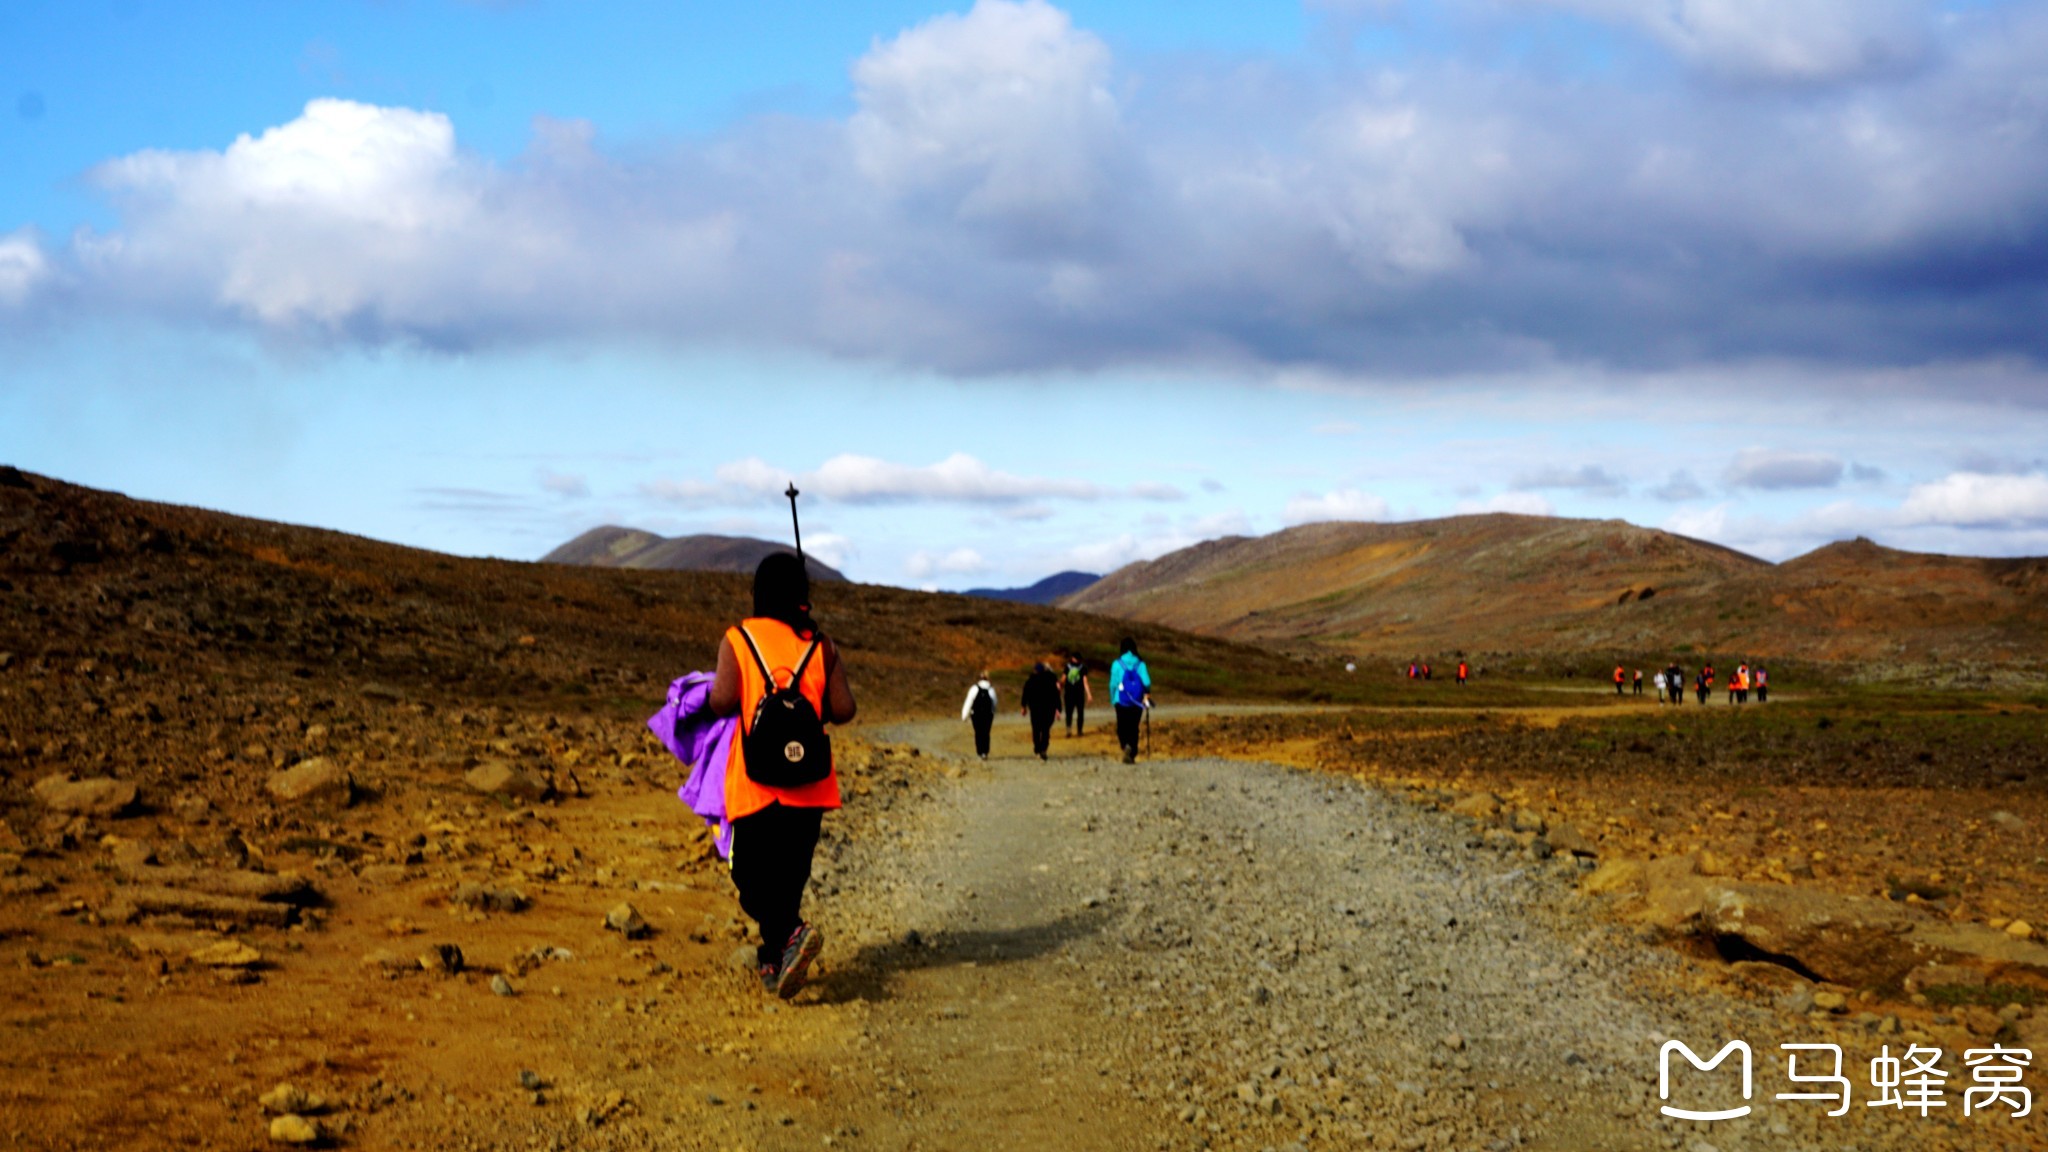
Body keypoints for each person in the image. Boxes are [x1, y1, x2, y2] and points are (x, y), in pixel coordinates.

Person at [707, 552, 856, 1000]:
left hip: (757, 782)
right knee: (789, 877)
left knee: (750, 877)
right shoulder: (821, 644)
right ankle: (775, 960)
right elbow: (845, 709)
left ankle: (790, 935)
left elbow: (722, 699)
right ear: (802, 594)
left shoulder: (738, 637)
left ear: (759, 592)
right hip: (809, 783)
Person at [1109, 637, 1152, 765]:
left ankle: (1125, 745)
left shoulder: (1117, 664)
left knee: (1122, 726)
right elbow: (1147, 682)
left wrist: (1112, 698)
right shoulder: (1141, 664)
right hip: (1137, 701)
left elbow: (1112, 684)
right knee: (1134, 727)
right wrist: (1147, 692)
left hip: (1120, 700)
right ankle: (1132, 752)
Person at [1021, 661, 1063, 760]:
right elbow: (1056, 695)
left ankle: (1037, 749)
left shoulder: (1030, 681)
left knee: (1036, 729)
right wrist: (1058, 709)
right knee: (1045, 730)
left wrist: (1024, 707)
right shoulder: (1050, 680)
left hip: (1035, 709)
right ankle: (1043, 748)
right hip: (1048, 709)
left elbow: (1025, 694)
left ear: (1035, 671)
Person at [961, 670, 997, 760]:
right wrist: (993, 712)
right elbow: (995, 703)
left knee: (978, 732)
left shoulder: (974, 688)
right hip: (988, 715)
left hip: (976, 715)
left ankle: (980, 751)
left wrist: (964, 716)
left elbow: (968, 702)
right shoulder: (991, 689)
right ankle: (985, 752)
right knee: (986, 732)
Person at [1063, 653, 1092, 736]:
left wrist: (1088, 694)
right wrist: (1089, 694)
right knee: (1077, 713)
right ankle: (1076, 731)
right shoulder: (1082, 667)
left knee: (1071, 713)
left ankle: (1072, 730)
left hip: (1072, 693)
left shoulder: (1069, 667)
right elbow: (1085, 682)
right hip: (1075, 694)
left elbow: (1063, 678)